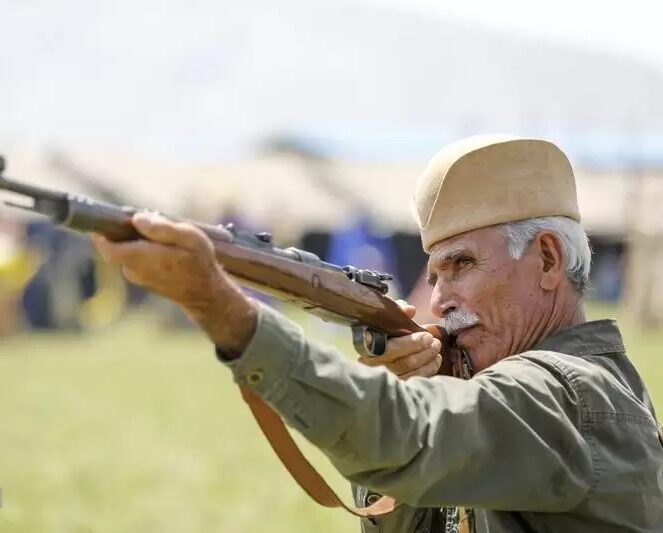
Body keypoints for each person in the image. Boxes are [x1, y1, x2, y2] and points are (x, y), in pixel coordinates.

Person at [91, 136, 663, 532]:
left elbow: (404, 437)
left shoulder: (570, 393)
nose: (439, 299)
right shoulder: (514, 391)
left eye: (462, 265)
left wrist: (223, 308)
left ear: (545, 260)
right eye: (433, 274)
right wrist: (429, 386)